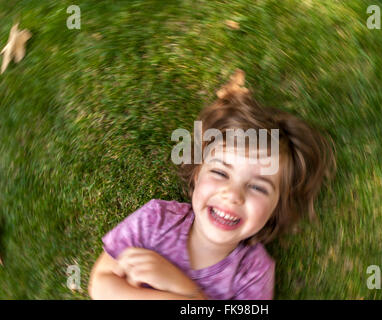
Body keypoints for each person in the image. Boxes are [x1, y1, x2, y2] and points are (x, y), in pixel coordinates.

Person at [88, 69, 336, 299]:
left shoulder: (253, 274)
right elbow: (101, 284)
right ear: (197, 173)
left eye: (258, 187)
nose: (232, 195)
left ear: (277, 207)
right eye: (220, 172)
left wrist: (187, 290)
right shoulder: (156, 219)